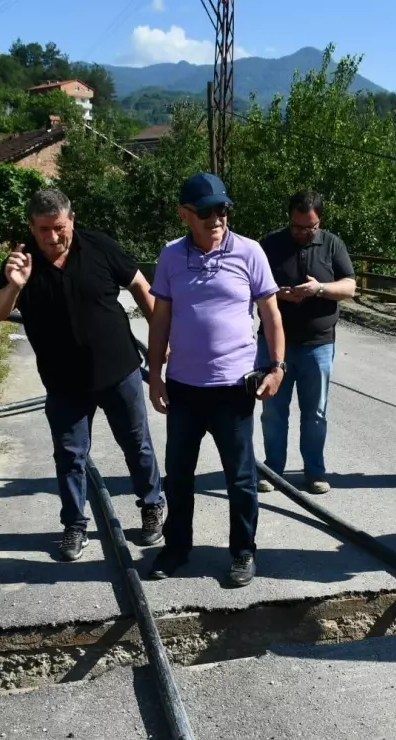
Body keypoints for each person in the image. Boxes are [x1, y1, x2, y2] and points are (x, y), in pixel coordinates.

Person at [0, 189, 164, 562]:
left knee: (136, 443)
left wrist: (162, 345)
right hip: (64, 382)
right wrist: (15, 285)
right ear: (32, 227)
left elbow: (142, 288)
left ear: (72, 219)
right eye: (43, 230)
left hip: (119, 372)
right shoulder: (20, 264)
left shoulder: (99, 246)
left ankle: (151, 505)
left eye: (59, 228)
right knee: (70, 456)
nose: (52, 238)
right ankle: (74, 525)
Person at [146, 172, 286, 587]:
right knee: (179, 473)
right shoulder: (171, 256)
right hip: (185, 388)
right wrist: (155, 375)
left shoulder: (250, 252)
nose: (216, 219)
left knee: (240, 477)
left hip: (233, 387)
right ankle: (176, 548)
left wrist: (277, 366)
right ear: (184, 214)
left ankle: (243, 551)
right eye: (206, 212)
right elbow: (161, 319)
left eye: (222, 209)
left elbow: (272, 314)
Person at [255, 190, 357, 495]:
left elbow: (350, 286)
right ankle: (273, 468)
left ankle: (314, 471)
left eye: (309, 227)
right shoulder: (270, 243)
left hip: (318, 344)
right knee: (273, 410)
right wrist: (276, 293)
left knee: (315, 412)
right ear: (289, 219)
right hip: (275, 344)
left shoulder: (331, 243)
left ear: (319, 221)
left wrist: (319, 288)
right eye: (297, 226)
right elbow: (250, 284)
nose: (302, 233)